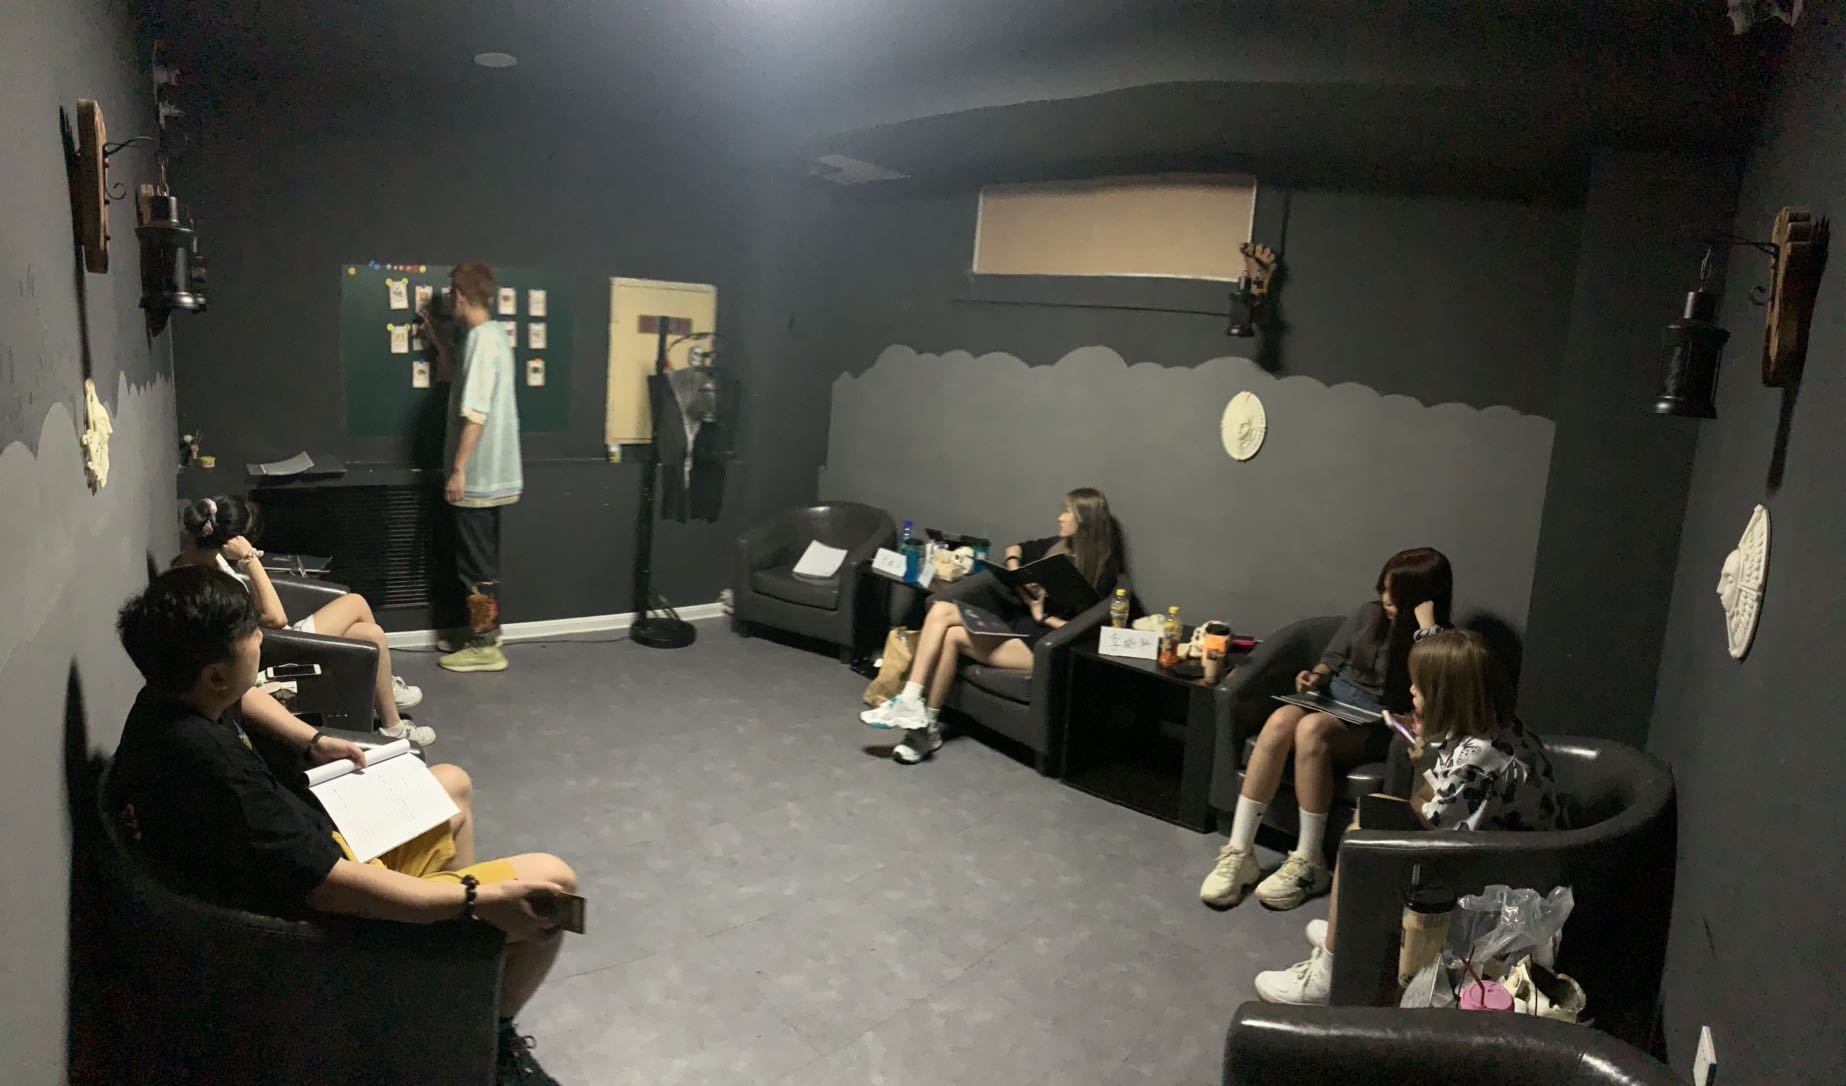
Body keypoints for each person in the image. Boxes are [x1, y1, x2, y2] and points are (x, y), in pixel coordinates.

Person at [109, 567, 574, 1084]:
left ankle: (448, 985)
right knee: (556, 884)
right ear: (216, 674)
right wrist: (473, 901)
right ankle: (489, 1033)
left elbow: (245, 696)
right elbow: (334, 888)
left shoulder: (172, 699)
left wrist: (311, 741)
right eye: (251, 635)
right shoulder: (218, 776)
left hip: (321, 852)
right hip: (330, 915)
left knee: (451, 785)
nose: (262, 638)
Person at [1251, 628, 1563, 1004]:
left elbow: (1431, 831)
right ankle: (1351, 930)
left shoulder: (1479, 759)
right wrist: (1424, 763)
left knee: (1360, 841)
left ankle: (1330, 971)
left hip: (1505, 881)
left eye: (1420, 687)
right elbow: (1434, 799)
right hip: (1497, 851)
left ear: (1447, 695)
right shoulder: (1489, 728)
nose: (1411, 692)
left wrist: (1377, 831)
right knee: (1373, 811)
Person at [1199, 547, 1452, 911]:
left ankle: (1309, 861)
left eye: (1395, 594)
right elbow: (1330, 662)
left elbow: (1434, 685)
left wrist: (1426, 628)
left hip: (1377, 723)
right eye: (1383, 589)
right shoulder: (1367, 614)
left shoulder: (1438, 640)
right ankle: (1239, 852)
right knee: (1281, 719)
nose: (1385, 599)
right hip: (1333, 701)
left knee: (1311, 729)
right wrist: (1314, 677)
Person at [862, 487, 1123, 765]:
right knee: (941, 612)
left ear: (1084, 520)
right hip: (1016, 627)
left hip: (1043, 645)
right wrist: (1015, 569)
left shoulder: (1104, 570)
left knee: (950, 634)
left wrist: (1043, 616)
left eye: (1067, 512)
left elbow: (1085, 628)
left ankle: (920, 722)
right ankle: (918, 710)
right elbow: (1016, 548)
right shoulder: (1058, 546)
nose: (1060, 517)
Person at [174, 496, 434, 745]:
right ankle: (389, 701)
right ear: (231, 540)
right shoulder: (209, 582)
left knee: (371, 634)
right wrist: (250, 559)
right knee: (356, 602)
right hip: (283, 647)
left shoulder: (204, 557)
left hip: (275, 636)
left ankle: (391, 720)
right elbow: (276, 618)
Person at [425, 260, 522, 674]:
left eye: (452, 294)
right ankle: (481, 633)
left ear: (460, 296)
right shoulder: (491, 336)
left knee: (476, 569)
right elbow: (456, 377)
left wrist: (459, 469)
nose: (450, 302)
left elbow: (476, 414)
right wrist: (438, 341)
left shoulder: (482, 341)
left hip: (478, 478)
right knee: (479, 564)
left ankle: (485, 644)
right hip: (492, 477)